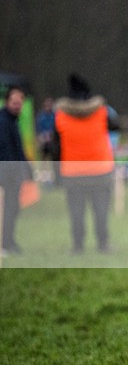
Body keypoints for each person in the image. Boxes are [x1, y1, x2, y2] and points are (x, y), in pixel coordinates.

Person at [54, 74, 119, 254]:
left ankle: (78, 245)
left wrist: (56, 173)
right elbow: (115, 125)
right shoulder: (101, 112)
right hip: (100, 169)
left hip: (73, 172)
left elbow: (55, 147)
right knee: (101, 211)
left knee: (76, 212)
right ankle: (103, 244)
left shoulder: (61, 115)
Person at [0, 86, 33, 256]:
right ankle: (5, 243)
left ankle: (9, 241)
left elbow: (18, 149)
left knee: (13, 209)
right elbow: (6, 151)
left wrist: (27, 169)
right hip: (7, 174)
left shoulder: (13, 121)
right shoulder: (3, 121)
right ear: (7, 102)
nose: (17, 106)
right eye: (14, 102)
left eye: (20, 103)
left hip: (13, 173)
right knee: (8, 209)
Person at [36, 97, 60, 186]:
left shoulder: (56, 116)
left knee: (54, 161)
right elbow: (38, 130)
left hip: (53, 143)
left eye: (49, 105)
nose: (48, 107)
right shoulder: (41, 117)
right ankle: (45, 178)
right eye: (46, 105)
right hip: (44, 142)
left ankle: (56, 178)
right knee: (44, 161)